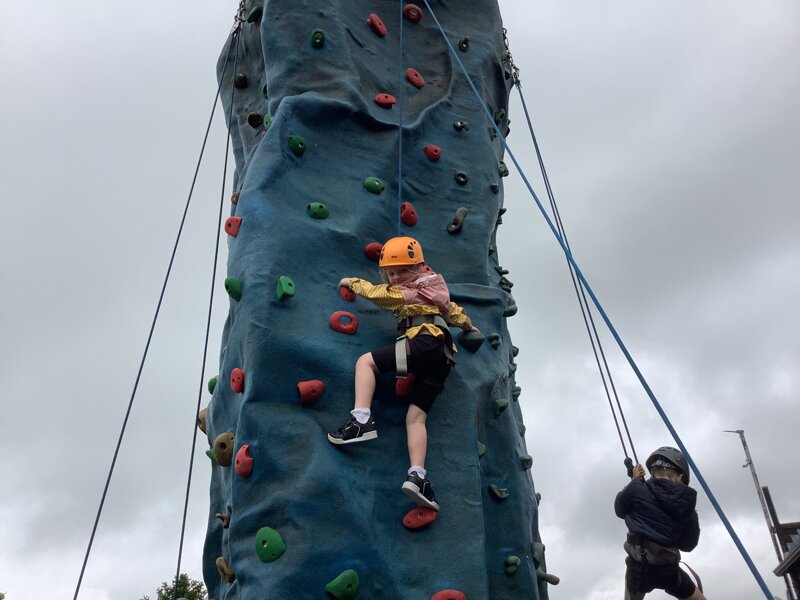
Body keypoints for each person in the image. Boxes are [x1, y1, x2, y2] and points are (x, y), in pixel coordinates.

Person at [327, 236, 479, 511]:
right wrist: (470, 327)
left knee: (365, 363)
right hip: (443, 357)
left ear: (418, 268)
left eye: (401, 272)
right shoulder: (436, 289)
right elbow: (455, 313)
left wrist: (354, 283)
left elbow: (383, 296)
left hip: (423, 343)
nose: (396, 278)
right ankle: (418, 476)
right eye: (391, 273)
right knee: (415, 417)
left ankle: (360, 419)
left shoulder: (410, 291)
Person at [614, 446, 707, 600]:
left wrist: (635, 481)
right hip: (668, 571)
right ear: (681, 476)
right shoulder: (687, 507)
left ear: (652, 471)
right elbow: (688, 545)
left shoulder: (638, 488)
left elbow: (619, 509)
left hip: (638, 569)